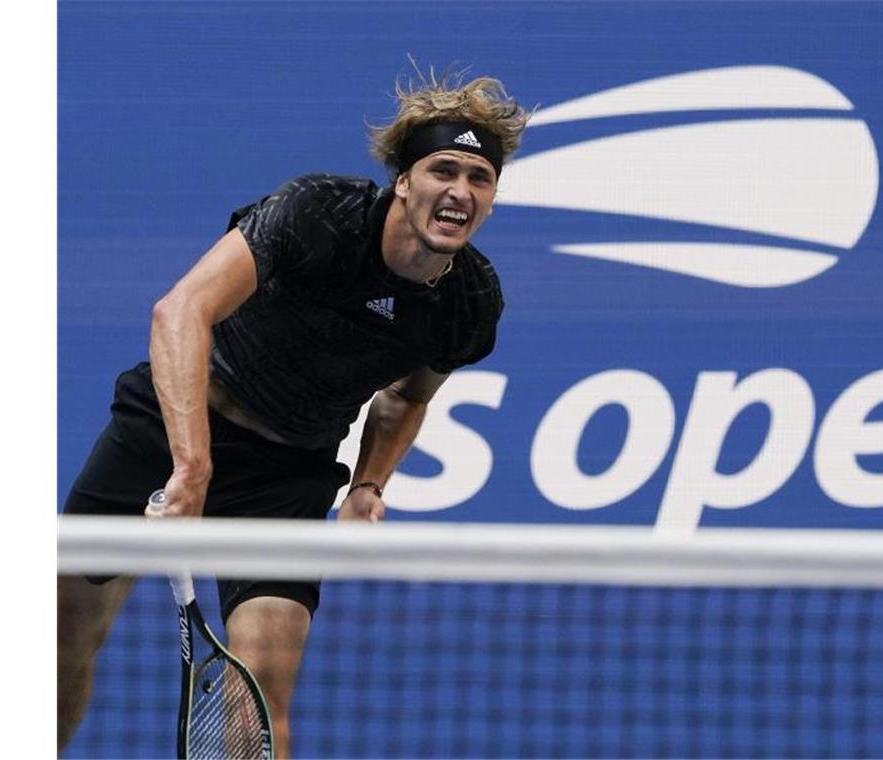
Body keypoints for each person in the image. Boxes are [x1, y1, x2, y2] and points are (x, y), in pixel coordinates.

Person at [57, 71, 531, 757]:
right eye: (443, 169)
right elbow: (181, 311)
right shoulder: (318, 216)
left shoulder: (469, 304)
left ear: (490, 200)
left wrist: (369, 484)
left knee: (257, 702)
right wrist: (191, 466)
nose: (459, 190)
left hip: (289, 474)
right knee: (60, 644)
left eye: (479, 178)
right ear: (403, 180)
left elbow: (407, 397)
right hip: (166, 434)